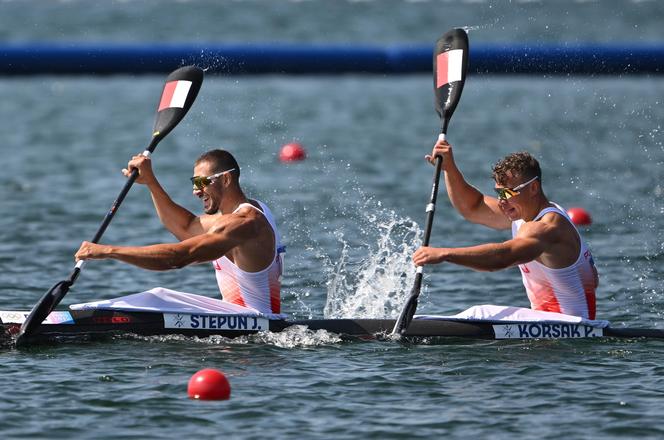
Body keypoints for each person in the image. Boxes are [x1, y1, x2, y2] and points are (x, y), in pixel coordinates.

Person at [75, 149, 284, 314]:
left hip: (255, 321)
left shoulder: (246, 223)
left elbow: (179, 257)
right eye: (194, 183)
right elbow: (184, 226)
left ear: (226, 180)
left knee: (155, 299)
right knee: (156, 297)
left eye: (202, 182)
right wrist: (150, 181)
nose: (195, 191)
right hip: (241, 317)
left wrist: (107, 251)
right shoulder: (242, 213)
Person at [412, 140, 599, 319]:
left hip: (571, 325)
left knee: (481, 313)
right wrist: (449, 169)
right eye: (498, 193)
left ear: (533, 187)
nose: (502, 201)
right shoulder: (522, 213)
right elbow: (473, 207)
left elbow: (503, 257)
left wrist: (445, 253)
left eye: (507, 193)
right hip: (549, 327)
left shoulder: (547, 227)